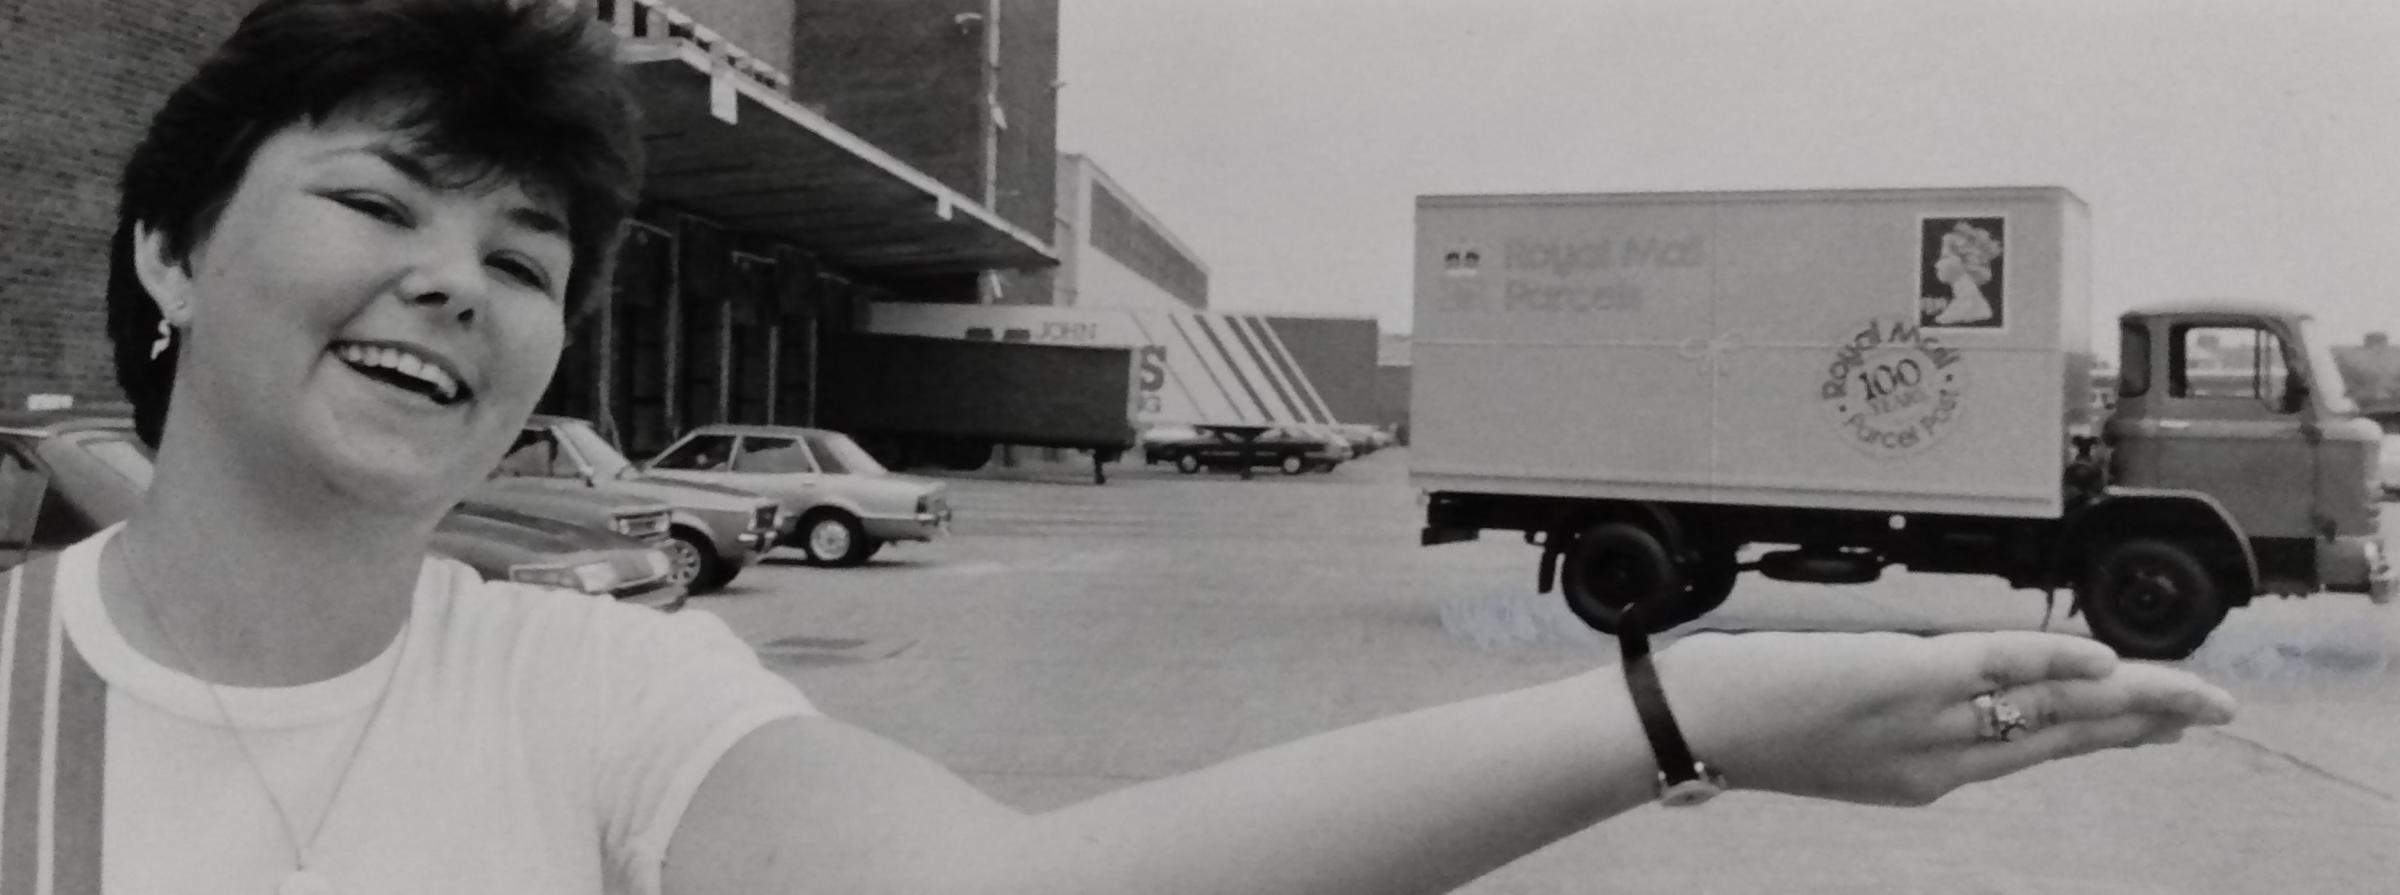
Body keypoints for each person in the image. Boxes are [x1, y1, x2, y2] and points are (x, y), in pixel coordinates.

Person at [0, 2, 2235, 893]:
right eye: (378, 206)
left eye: (521, 251)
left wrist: (1684, 709)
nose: (452, 289)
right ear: (173, 255)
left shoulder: (586, 689)